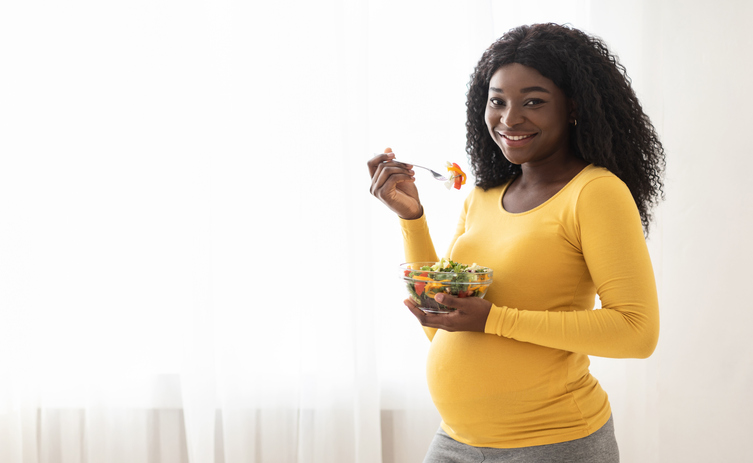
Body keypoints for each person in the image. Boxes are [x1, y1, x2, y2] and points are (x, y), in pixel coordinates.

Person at [367, 23, 665, 463]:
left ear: (574, 108)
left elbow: (637, 333)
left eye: (534, 102)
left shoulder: (595, 193)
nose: (509, 119)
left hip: (554, 444)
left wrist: (494, 319)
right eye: (497, 101)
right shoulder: (483, 195)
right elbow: (442, 324)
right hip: (455, 442)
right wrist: (413, 218)